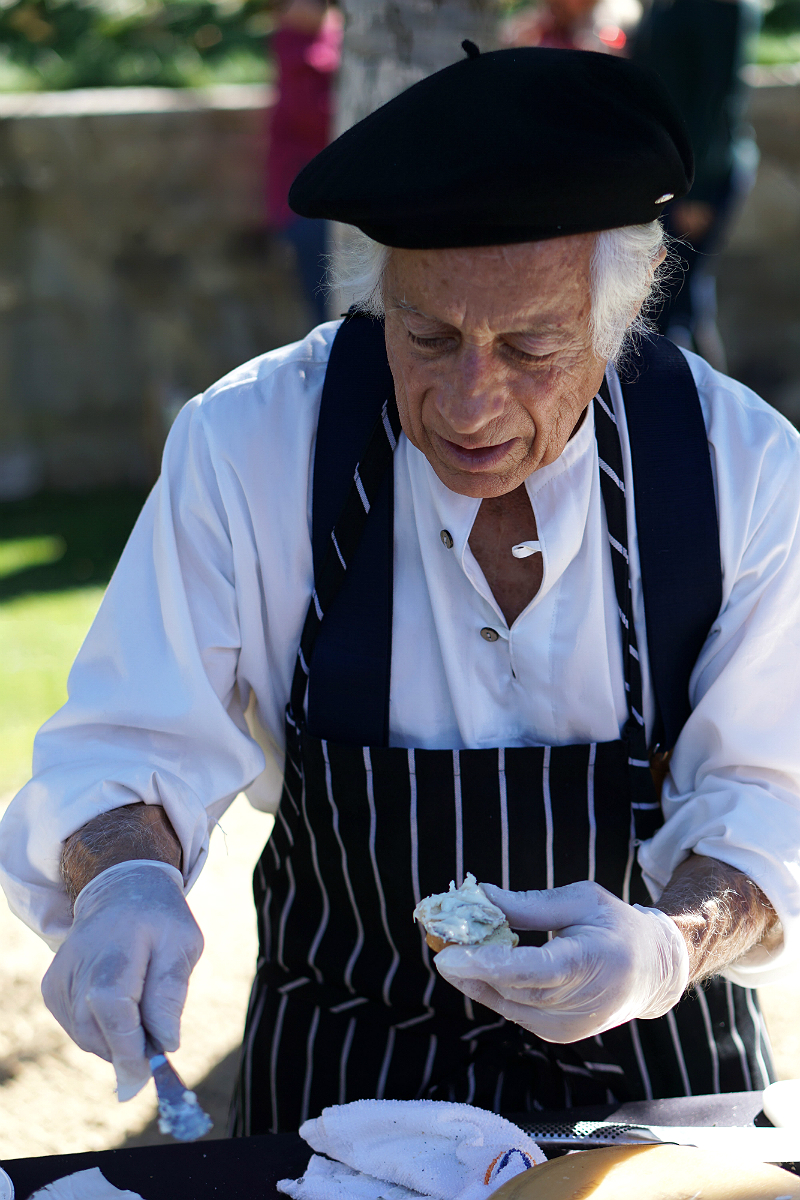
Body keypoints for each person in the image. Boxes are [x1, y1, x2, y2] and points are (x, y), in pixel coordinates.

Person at [2, 46, 800, 1136]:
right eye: (425, 336)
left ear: (618, 317)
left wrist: (669, 948)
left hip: (663, 1063)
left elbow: (772, 798)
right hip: (344, 1058)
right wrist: (120, 883)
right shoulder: (251, 445)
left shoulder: (738, 468)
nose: (469, 402)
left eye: (530, 346)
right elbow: (126, 745)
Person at [631, 0, 761, 369]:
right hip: (670, 172)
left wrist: (697, 190)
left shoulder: (723, 7)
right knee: (672, 305)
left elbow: (718, 96)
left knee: (676, 308)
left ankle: (703, 401)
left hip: (697, 180)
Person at [266, 0, 342, 327]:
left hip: (331, 201)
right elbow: (320, 121)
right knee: (330, 316)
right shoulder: (298, 53)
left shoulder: (332, 45)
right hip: (308, 206)